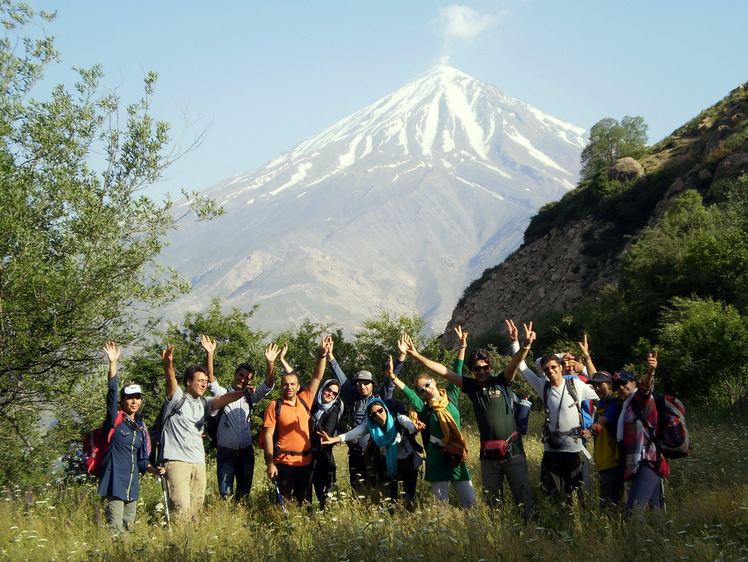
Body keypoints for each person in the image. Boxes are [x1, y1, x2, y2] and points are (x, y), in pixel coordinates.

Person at [407, 322, 535, 521]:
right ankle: (496, 535)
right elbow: (442, 371)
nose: (482, 372)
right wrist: (416, 356)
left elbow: (515, 363)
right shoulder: (471, 386)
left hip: (513, 453)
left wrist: (522, 344)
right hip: (488, 457)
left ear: (490, 367)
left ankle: (529, 530)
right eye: (477, 369)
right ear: (472, 371)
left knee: (522, 495)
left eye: (485, 368)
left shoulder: (501, 382)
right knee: (492, 502)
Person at [160, 343, 245, 521]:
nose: (204, 385)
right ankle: (177, 543)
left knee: (195, 509)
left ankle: (191, 544)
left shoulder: (203, 403)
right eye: (200, 381)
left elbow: (224, 399)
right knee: (180, 507)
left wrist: (243, 392)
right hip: (177, 461)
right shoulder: (177, 398)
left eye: (205, 382)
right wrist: (168, 363)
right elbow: (171, 381)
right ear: (188, 382)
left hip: (198, 462)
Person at [387, 337, 476, 509]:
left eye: (427, 384)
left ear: (434, 381)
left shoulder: (451, 396)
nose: (427, 389)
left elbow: (456, 370)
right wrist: (392, 376)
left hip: (457, 454)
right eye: (422, 389)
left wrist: (462, 345)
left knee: (471, 503)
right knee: (441, 507)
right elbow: (407, 392)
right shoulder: (424, 407)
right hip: (436, 457)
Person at [97, 342, 163, 534]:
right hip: (114, 482)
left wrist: (155, 470)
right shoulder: (115, 420)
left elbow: (141, 461)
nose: (134, 401)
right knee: (115, 529)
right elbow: (111, 394)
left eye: (138, 398)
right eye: (130, 398)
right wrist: (113, 364)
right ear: (123, 401)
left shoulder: (141, 428)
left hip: (132, 486)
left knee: (129, 529)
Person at [202, 335, 278, 501]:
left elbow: (268, 386)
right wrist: (210, 354)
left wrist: (270, 363)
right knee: (225, 497)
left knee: (244, 496)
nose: (242, 379)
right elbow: (210, 381)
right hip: (226, 454)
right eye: (241, 375)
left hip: (246, 454)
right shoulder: (223, 394)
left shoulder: (250, 397)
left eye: (246, 378)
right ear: (235, 373)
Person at [319, 384, 419, 510]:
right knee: (390, 499)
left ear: (385, 409)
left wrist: (415, 427)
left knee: (408, 497)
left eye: (380, 411)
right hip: (387, 464)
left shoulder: (397, 418)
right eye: (373, 415)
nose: (378, 415)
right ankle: (393, 521)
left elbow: (408, 423)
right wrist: (334, 439)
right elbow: (353, 433)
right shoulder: (371, 425)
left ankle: (408, 517)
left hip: (407, 462)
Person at [519, 348, 599, 504]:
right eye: (547, 369)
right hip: (551, 450)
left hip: (573, 449)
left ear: (561, 367)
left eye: (554, 367)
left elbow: (601, 387)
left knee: (576, 496)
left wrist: (583, 366)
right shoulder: (544, 387)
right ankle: (554, 522)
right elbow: (523, 368)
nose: (550, 371)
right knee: (550, 495)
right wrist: (517, 342)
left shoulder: (576, 384)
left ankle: (575, 522)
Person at [326, 336, 406, 492]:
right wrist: (330, 357)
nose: (362, 386)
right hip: (356, 455)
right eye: (359, 383)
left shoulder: (381, 399)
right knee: (358, 490)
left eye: (366, 383)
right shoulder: (353, 399)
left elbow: (390, 380)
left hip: (377, 453)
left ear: (372, 385)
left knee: (380, 488)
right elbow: (341, 379)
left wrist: (401, 357)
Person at [262, 336, 328, 505]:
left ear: (298, 387)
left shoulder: (306, 399)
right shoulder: (274, 406)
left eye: (292, 384)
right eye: (285, 384)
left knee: (304, 503)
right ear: (281, 386)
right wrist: (271, 464)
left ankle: (301, 530)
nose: (289, 387)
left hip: (305, 462)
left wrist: (322, 355)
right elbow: (268, 436)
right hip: (283, 463)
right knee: (285, 504)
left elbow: (317, 377)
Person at [615, 353, 670, 517]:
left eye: (624, 383)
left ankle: (636, 539)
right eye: (617, 385)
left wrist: (650, 372)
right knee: (656, 510)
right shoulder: (627, 404)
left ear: (634, 383)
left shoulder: (640, 400)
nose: (621, 388)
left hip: (649, 462)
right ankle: (662, 539)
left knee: (633, 512)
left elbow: (645, 389)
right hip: (645, 463)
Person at [586, 370, 624, 507]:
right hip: (605, 462)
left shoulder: (614, 404)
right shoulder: (602, 404)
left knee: (609, 505)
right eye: (594, 386)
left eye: (600, 385)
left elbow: (605, 421)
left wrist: (592, 429)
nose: (597, 389)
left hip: (614, 462)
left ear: (609, 385)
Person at [309, 378, 344, 508]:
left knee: (322, 493)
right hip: (306, 454)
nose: (330, 394)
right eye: (328, 390)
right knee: (306, 489)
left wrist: (310, 420)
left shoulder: (333, 409)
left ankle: (323, 516)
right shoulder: (312, 404)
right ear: (322, 389)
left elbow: (326, 433)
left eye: (334, 393)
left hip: (322, 456)